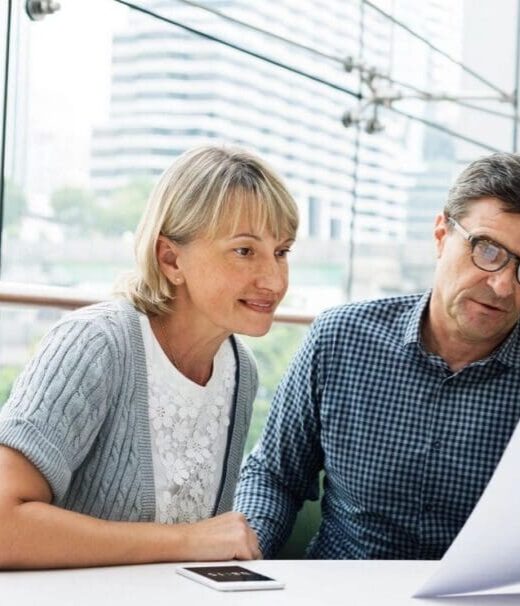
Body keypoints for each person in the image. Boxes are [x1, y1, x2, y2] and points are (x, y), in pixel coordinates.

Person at [235, 152, 520, 560]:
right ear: (442, 235)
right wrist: (245, 553)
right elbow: (274, 476)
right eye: (488, 250)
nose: (502, 286)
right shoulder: (339, 339)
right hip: (341, 600)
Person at [0, 145, 298, 569]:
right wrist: (184, 542)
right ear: (170, 258)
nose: (273, 279)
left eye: (282, 252)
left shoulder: (239, 369)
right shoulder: (96, 345)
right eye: (244, 251)